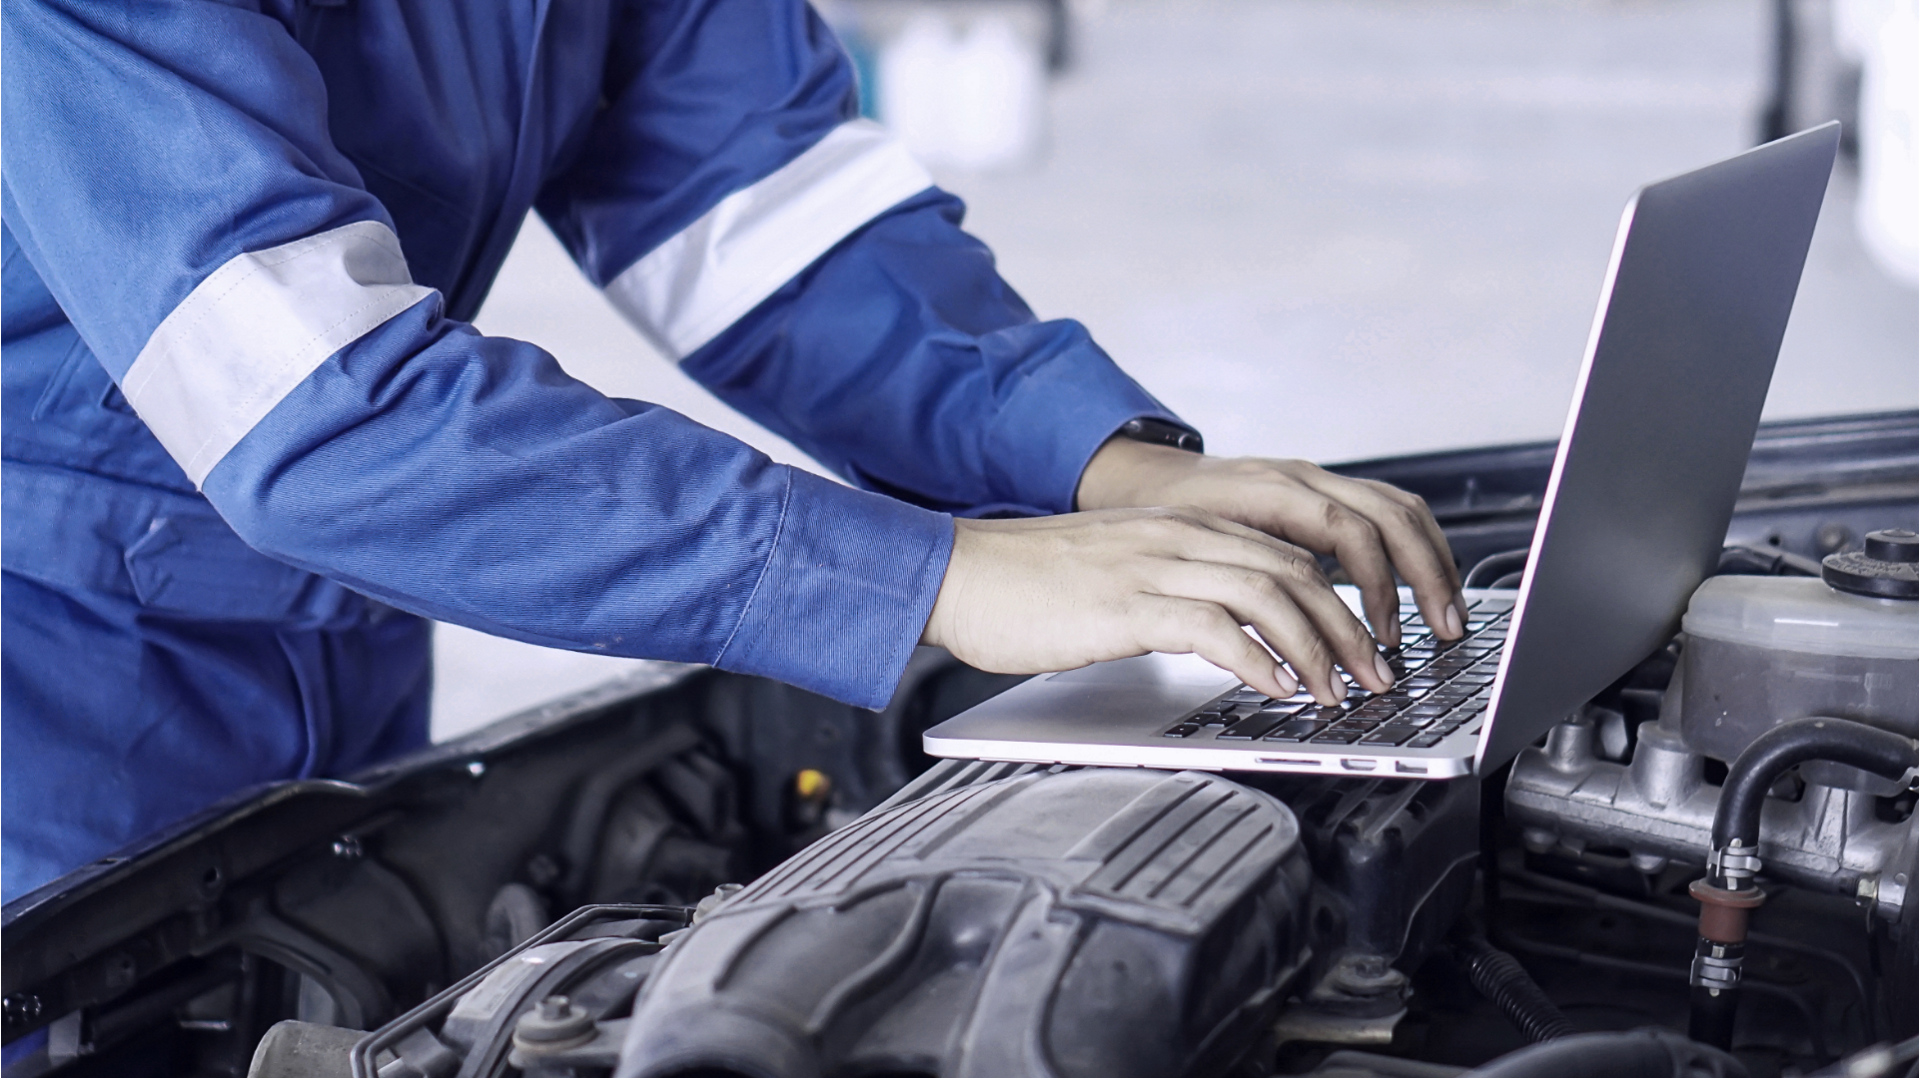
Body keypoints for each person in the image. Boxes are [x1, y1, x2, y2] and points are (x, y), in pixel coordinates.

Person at [0, 0, 1463, 905]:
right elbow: (324, 409)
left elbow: (769, 220)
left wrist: (1101, 463)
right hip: (49, 679)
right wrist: (925, 572)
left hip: (346, 600)